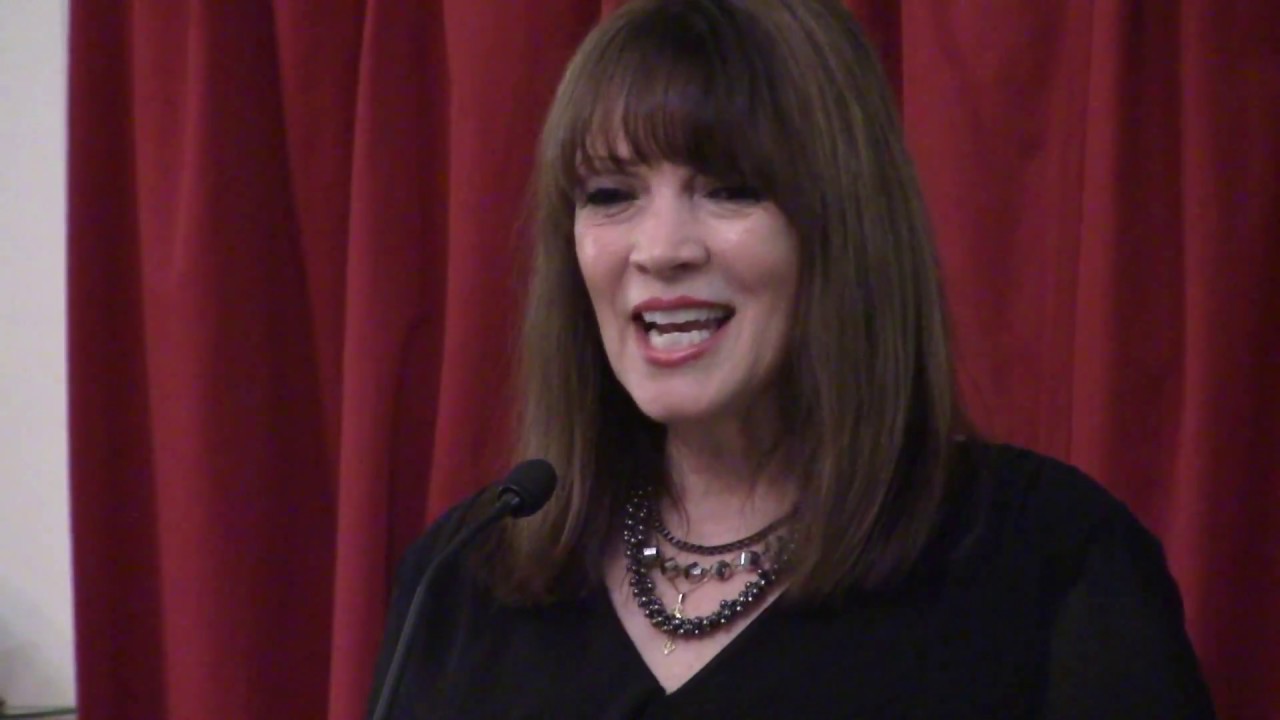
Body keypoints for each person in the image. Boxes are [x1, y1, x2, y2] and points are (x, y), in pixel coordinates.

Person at [369, 0, 1215, 717]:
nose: (659, 250)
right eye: (612, 195)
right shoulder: (464, 581)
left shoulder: (1045, 560)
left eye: (730, 188)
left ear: (845, 228)